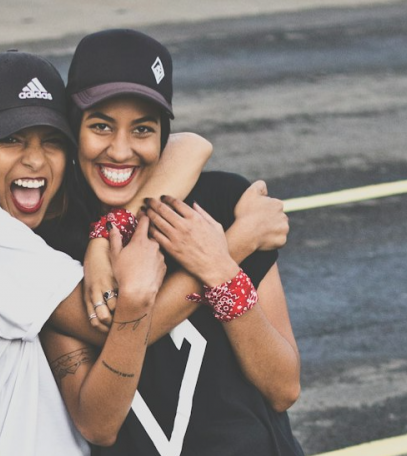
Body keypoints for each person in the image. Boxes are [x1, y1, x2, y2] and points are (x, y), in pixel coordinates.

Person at [0, 50, 214, 456]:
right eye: (11, 139)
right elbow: (117, 323)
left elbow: (190, 146)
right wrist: (220, 258)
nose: (35, 159)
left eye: (52, 141)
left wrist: (106, 233)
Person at [38, 29, 304, 455]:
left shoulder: (222, 204)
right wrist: (230, 250)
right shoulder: (48, 246)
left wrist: (222, 270)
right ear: (73, 128)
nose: (120, 151)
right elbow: (97, 423)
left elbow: (283, 387)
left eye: (142, 129)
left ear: (163, 135)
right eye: (101, 126)